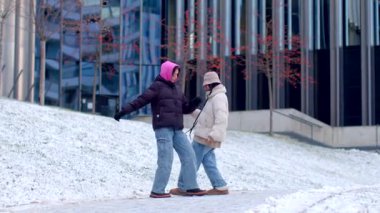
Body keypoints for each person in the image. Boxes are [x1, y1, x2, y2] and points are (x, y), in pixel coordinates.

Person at [114, 60, 206, 198]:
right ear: (168, 73)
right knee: (166, 159)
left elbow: (185, 108)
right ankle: (157, 190)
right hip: (163, 129)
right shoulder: (157, 87)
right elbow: (140, 100)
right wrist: (123, 111)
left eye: (177, 74)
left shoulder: (176, 90)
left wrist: (194, 103)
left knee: (189, 155)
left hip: (177, 130)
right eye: (175, 74)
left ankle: (190, 187)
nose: (176, 77)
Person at [170, 71, 229, 196]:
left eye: (205, 84)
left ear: (209, 84)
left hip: (206, 137)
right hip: (206, 135)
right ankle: (220, 186)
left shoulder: (218, 97)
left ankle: (183, 187)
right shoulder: (213, 96)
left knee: (190, 160)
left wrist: (214, 135)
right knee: (208, 161)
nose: (203, 87)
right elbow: (206, 117)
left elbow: (221, 118)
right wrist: (191, 110)